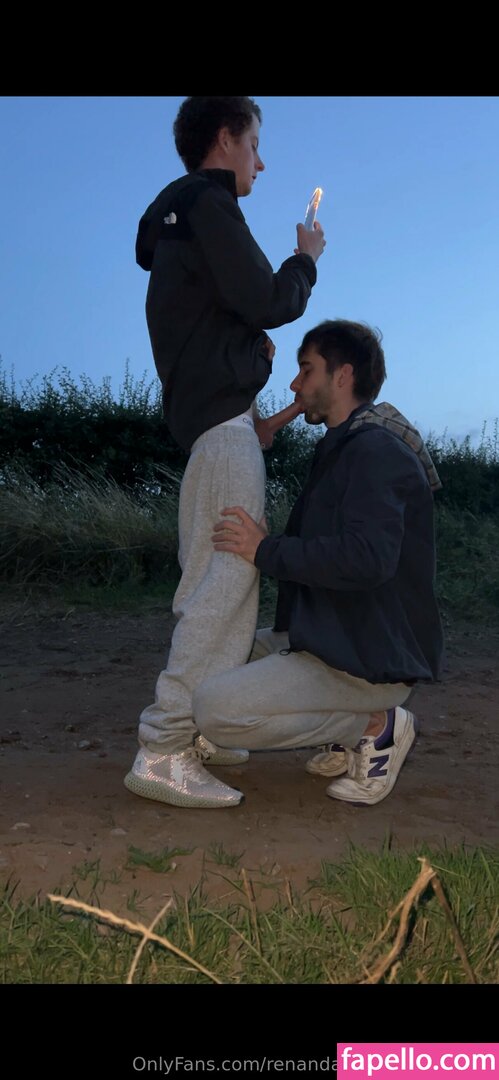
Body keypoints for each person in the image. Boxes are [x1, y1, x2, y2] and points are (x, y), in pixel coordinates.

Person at [125, 97, 325, 808]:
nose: (260, 163)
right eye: (255, 144)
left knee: (211, 582)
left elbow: (224, 318)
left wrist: (252, 369)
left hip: (216, 431)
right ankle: (164, 746)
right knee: (227, 581)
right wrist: (304, 261)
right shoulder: (207, 205)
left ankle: (201, 730)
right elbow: (268, 298)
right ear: (224, 138)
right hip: (222, 434)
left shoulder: (179, 226)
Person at [192, 319, 444, 806]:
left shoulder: (376, 452)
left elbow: (367, 559)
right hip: (334, 635)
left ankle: (373, 726)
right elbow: (328, 552)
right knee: (218, 649)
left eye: (306, 370)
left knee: (214, 709)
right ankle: (343, 733)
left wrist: (266, 549)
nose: (294, 384)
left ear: (342, 375)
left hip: (367, 657)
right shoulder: (343, 448)